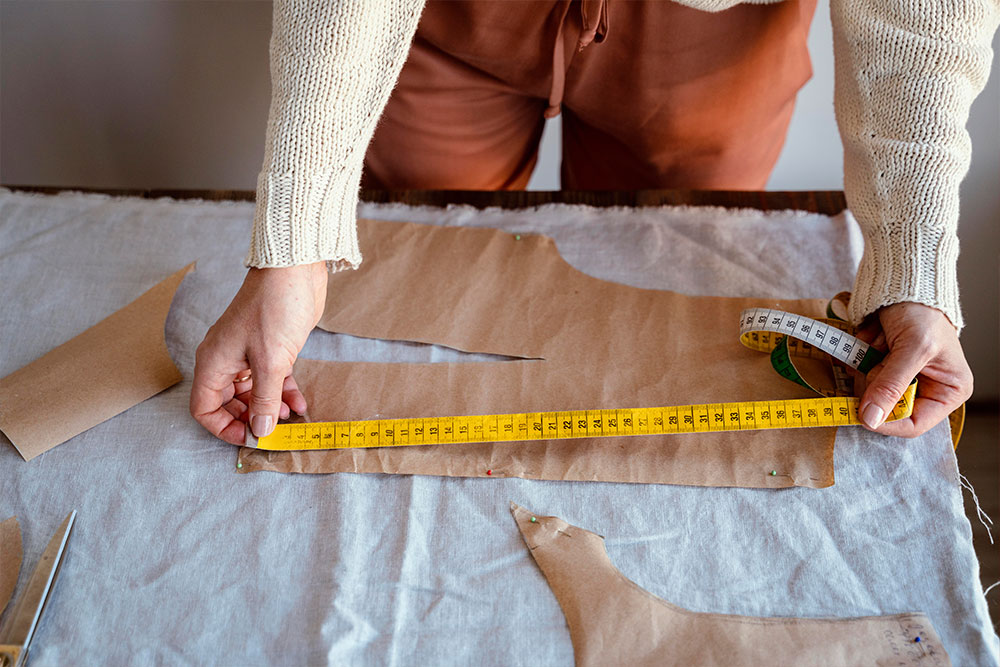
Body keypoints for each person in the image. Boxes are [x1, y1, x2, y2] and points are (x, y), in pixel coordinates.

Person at [191, 0, 998, 445]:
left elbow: (925, 15)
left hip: (714, 39)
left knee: (675, 290)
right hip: (451, 19)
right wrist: (295, 243)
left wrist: (912, 259)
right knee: (419, 261)